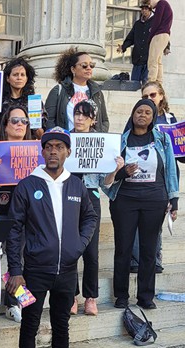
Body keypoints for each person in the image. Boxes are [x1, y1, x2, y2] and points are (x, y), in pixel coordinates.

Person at [5, 129, 98, 348]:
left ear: (68, 151)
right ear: (42, 151)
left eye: (59, 146)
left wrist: (77, 246)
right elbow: (14, 229)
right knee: (30, 325)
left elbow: (90, 217)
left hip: (67, 271)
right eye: (49, 147)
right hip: (34, 272)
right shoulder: (28, 185)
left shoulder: (76, 185)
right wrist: (15, 269)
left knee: (62, 326)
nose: (54, 151)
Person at [103, 99, 178, 310]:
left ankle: (145, 296)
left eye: (147, 112)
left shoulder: (162, 139)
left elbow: (171, 169)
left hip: (155, 200)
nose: (142, 115)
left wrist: (174, 200)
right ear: (132, 114)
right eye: (138, 111)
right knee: (123, 249)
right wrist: (122, 172)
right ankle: (121, 296)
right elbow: (106, 176)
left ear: (153, 117)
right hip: (125, 200)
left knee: (148, 250)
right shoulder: (120, 142)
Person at [129, 81, 185, 274]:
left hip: (165, 176)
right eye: (145, 96)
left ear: (161, 96)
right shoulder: (138, 117)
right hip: (142, 175)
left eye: (153, 95)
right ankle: (135, 259)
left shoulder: (170, 119)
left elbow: (178, 154)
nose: (149, 99)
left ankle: (155, 258)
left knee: (156, 219)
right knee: (137, 219)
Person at [0, 104, 32, 322]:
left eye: (24, 122)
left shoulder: (35, 150)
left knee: (17, 259)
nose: (20, 125)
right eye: (15, 121)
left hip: (23, 213)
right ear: (5, 124)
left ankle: (14, 302)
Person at [68, 101, 121, 316]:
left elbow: (104, 182)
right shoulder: (66, 139)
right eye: (77, 114)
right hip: (67, 195)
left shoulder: (101, 143)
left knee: (91, 251)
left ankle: (91, 297)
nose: (79, 118)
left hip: (91, 195)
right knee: (69, 248)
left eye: (84, 115)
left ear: (93, 120)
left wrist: (115, 169)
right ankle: (72, 295)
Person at [46, 48, 109, 133]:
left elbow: (104, 120)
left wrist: (100, 136)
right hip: (66, 142)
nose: (89, 68)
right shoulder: (59, 90)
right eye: (84, 65)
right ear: (73, 69)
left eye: (91, 65)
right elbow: (49, 120)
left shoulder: (97, 92)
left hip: (91, 143)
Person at [0, 57, 45, 139]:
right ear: (8, 78)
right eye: (15, 75)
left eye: (22, 75)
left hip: (26, 148)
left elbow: (41, 136)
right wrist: (7, 129)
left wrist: (34, 124)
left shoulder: (34, 102)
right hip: (0, 146)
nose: (19, 78)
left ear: (27, 79)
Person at [117, 1, 155, 85]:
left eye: (146, 9)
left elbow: (162, 35)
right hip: (137, 59)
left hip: (148, 60)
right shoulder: (137, 24)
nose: (144, 11)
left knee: (147, 85)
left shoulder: (155, 22)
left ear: (150, 10)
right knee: (133, 84)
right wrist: (123, 47)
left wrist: (166, 46)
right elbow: (131, 38)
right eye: (142, 9)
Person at [147, 0, 173, 83]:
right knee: (158, 61)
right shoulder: (165, 5)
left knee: (152, 60)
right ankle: (158, 82)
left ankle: (152, 81)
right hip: (165, 35)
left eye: (148, 3)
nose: (149, 6)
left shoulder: (161, 4)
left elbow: (156, 22)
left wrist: (150, 37)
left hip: (159, 34)